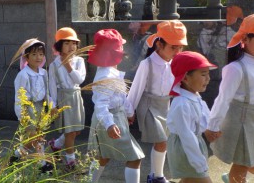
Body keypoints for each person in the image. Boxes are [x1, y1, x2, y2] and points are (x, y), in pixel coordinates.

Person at [127, 20, 188, 183]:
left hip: (165, 105)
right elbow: (136, 88)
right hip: (149, 106)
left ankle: (154, 175)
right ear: (159, 44)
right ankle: (158, 176)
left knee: (164, 142)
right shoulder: (147, 64)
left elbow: (178, 86)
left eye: (180, 47)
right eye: (173, 47)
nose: (177, 51)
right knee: (161, 141)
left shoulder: (174, 62)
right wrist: (129, 110)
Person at [87, 29, 144, 183]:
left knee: (102, 157)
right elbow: (101, 104)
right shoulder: (106, 75)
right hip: (109, 119)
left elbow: (120, 96)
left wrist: (129, 112)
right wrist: (110, 124)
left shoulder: (110, 72)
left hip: (114, 118)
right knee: (134, 157)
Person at [205, 14, 254, 183]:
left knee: (248, 163)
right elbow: (223, 99)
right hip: (241, 122)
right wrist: (212, 125)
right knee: (242, 165)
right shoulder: (236, 68)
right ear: (245, 39)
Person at [167, 51, 216, 183]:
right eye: (203, 74)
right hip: (185, 148)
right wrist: (199, 162)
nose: (208, 78)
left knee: (188, 180)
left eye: (208, 73)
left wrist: (208, 129)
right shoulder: (182, 103)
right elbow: (186, 135)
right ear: (186, 78)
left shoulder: (194, 96)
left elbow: (203, 115)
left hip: (193, 145)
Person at [11, 39, 54, 173]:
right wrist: (21, 115)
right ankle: (42, 163)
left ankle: (17, 154)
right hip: (28, 108)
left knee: (39, 135)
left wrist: (51, 106)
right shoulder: (23, 75)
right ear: (26, 57)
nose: (38, 57)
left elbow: (47, 92)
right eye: (34, 54)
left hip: (40, 108)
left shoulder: (44, 73)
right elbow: (19, 97)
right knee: (36, 137)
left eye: (41, 54)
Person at [48, 27, 86, 170]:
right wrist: (53, 105)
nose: (71, 47)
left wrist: (69, 66)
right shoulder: (54, 65)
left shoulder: (79, 61)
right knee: (70, 132)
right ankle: (71, 161)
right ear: (60, 45)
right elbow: (51, 86)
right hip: (63, 97)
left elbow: (80, 79)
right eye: (67, 43)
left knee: (76, 131)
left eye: (74, 43)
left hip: (76, 96)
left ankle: (56, 144)